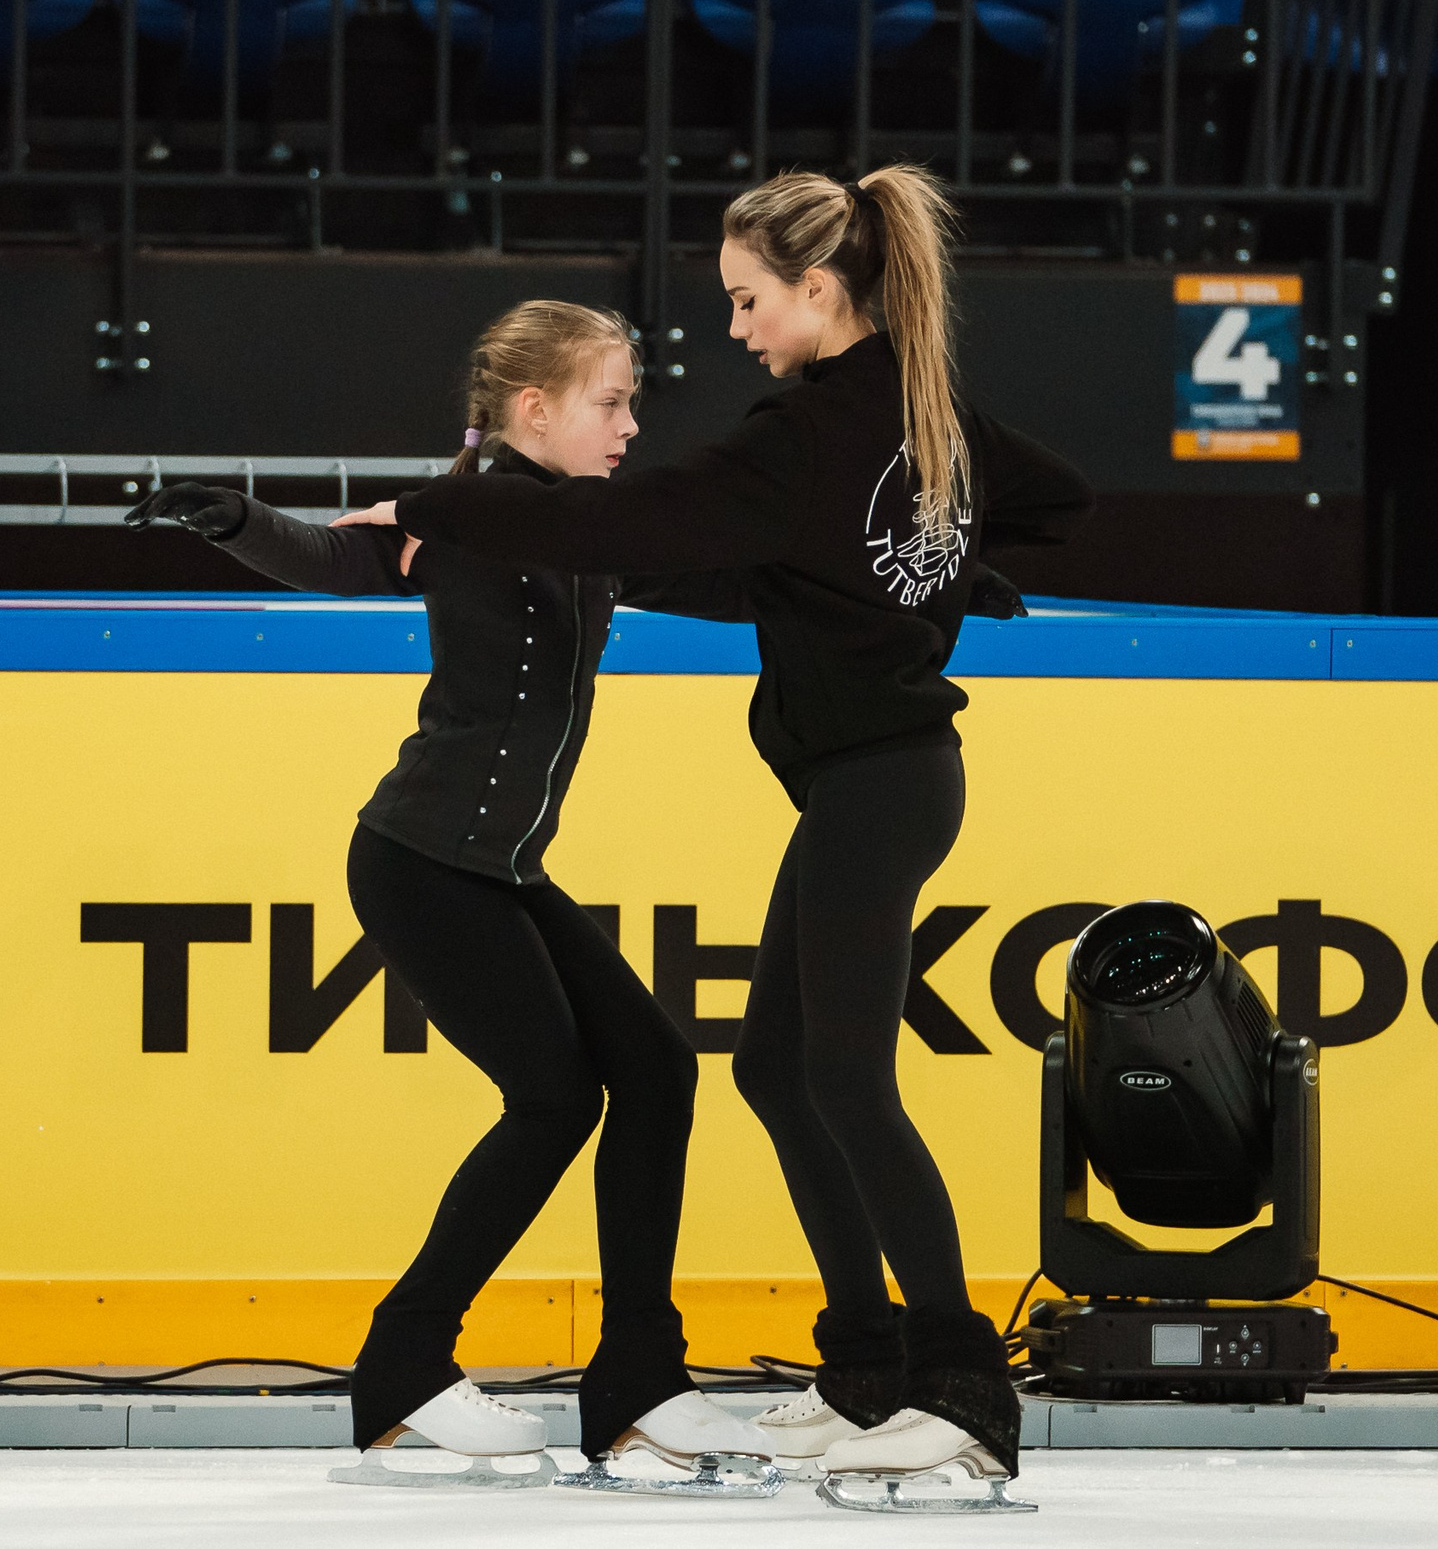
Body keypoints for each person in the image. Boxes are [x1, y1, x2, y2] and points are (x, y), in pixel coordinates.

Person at [334, 167, 1094, 1506]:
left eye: (748, 299)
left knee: (846, 1080)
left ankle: (964, 1388)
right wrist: (946, 554)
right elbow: (1057, 491)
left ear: (817, 288)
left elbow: (614, 523)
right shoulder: (921, 408)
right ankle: (866, 1365)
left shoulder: (806, 435)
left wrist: (435, 505)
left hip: (883, 779)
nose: (737, 327)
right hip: (875, 779)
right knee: (775, 1069)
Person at [127, 301, 777, 1495]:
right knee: (550, 1099)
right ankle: (406, 1370)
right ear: (533, 410)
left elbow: (721, 580)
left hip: (500, 867)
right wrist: (234, 519)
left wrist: (892, 589)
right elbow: (338, 554)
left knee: (656, 1069)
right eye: (611, 401)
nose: (632, 423)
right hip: (424, 861)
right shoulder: (465, 515)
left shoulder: (588, 523)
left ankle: (637, 1378)